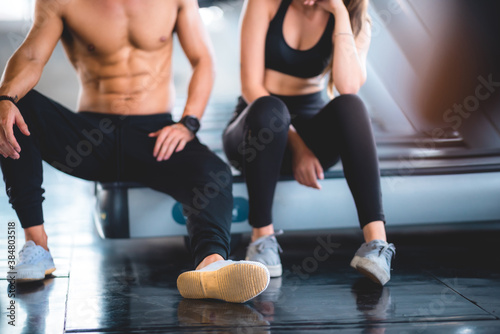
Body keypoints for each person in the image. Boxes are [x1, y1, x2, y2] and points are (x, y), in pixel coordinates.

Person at [0, 0, 269, 303]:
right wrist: (6, 97)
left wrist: (188, 122)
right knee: (13, 107)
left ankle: (211, 266)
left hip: (155, 137)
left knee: (213, 172)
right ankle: (37, 246)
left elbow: (202, 59)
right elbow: (33, 55)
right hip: (91, 138)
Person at [223, 0, 395, 285]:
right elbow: (250, 85)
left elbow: (348, 86)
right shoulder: (264, 3)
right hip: (255, 130)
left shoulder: (353, 17)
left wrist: (339, 13)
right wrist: (299, 147)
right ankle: (261, 240)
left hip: (312, 128)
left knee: (352, 105)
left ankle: (376, 245)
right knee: (270, 108)